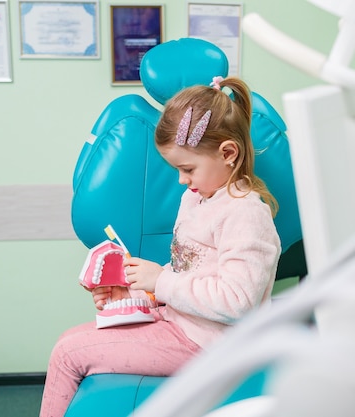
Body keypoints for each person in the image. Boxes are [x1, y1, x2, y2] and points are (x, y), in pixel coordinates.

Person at [39, 76, 282, 417]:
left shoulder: (246, 214)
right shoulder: (197, 198)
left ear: (228, 153)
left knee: (68, 355)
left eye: (188, 169)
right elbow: (191, 272)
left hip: (211, 345)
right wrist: (136, 295)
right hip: (180, 324)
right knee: (68, 339)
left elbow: (237, 302)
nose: (182, 180)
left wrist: (160, 282)